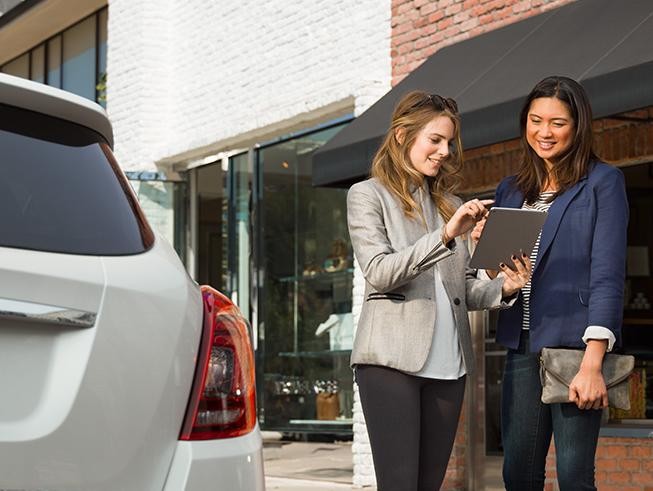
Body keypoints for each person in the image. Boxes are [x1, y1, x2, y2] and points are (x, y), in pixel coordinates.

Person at [346, 90, 531, 490]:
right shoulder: (368, 195)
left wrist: (506, 287)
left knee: (429, 484)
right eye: (435, 139)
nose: (445, 151)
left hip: (450, 364)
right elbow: (379, 272)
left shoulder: (451, 204)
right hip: (390, 361)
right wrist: (446, 235)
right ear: (401, 136)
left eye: (449, 142)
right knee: (399, 484)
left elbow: (463, 291)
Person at [472, 76, 629, 490]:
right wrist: (485, 252)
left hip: (575, 349)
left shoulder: (602, 183)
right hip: (521, 346)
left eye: (557, 123)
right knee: (518, 474)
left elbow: (608, 274)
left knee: (575, 477)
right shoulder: (511, 189)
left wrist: (594, 361)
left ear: (578, 126)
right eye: (536, 120)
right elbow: (493, 278)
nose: (544, 132)